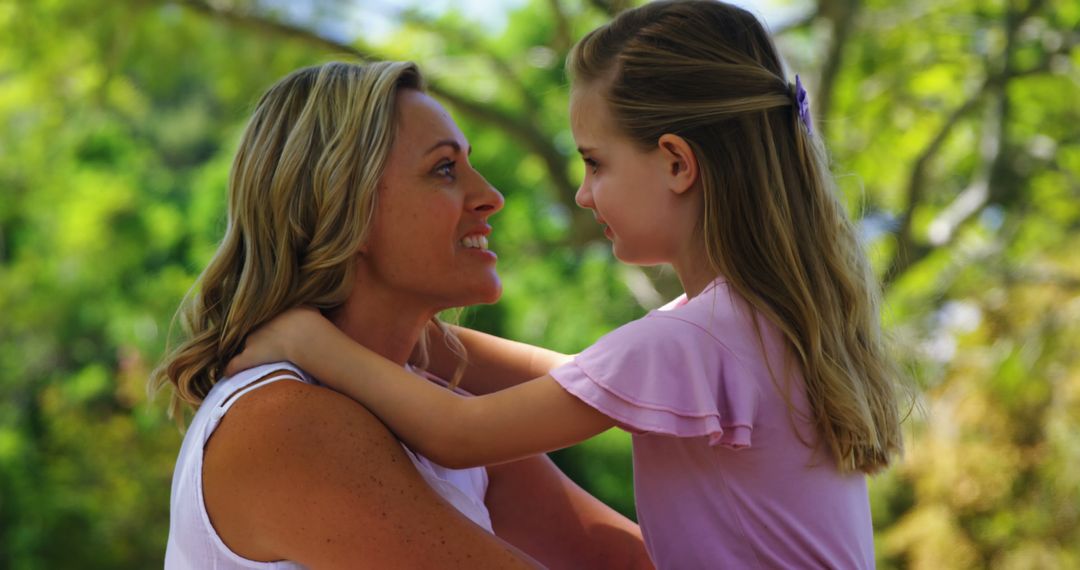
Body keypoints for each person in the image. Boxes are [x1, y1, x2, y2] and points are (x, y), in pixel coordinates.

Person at [229, 1, 912, 567]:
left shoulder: (688, 340)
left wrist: (308, 341)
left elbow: (459, 433)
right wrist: (398, 332)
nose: (584, 195)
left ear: (676, 162)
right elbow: (567, 378)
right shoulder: (745, 325)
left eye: (595, 163)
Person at [151, 61, 652, 569]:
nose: (490, 197)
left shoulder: (428, 405)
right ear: (346, 207)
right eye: (444, 169)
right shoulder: (282, 420)